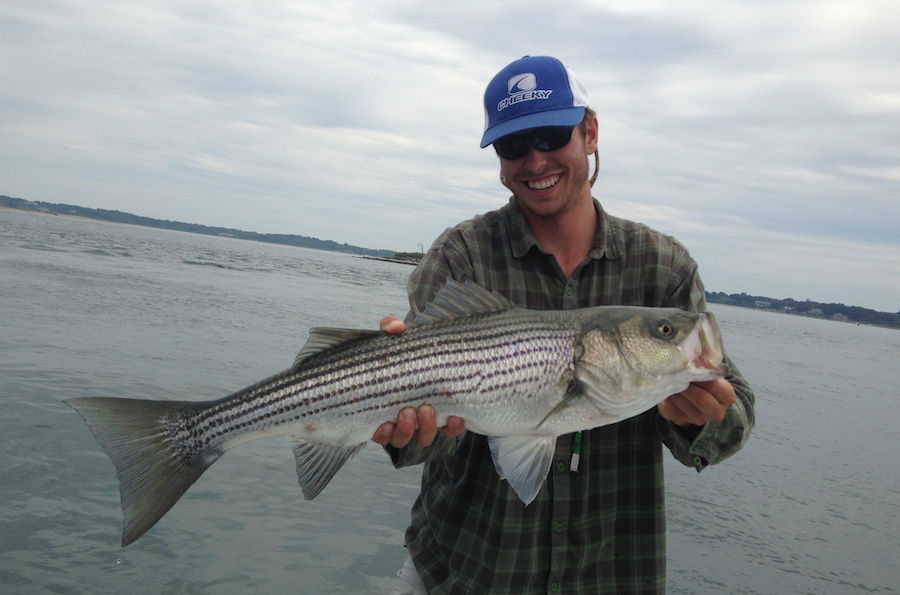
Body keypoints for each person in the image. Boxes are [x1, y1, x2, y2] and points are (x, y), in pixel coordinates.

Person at [372, 55, 755, 595]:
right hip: (465, 572)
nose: (534, 161)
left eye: (552, 136)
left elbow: (732, 422)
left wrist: (699, 419)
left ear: (590, 133)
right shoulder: (462, 256)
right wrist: (411, 431)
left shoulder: (662, 268)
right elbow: (417, 446)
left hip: (612, 573)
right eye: (513, 146)